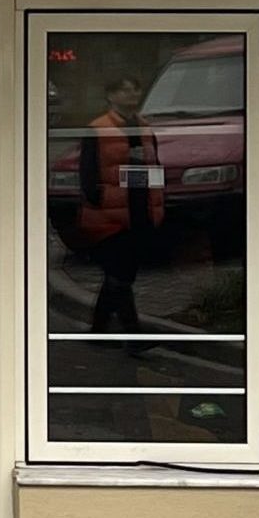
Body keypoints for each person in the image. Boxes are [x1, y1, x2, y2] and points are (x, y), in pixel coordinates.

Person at [78, 75, 165, 334]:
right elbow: (88, 173)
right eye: (125, 90)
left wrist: (156, 200)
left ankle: (98, 330)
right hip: (109, 216)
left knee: (119, 276)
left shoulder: (144, 128)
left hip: (139, 211)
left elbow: (152, 167)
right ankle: (133, 334)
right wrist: (100, 197)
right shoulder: (98, 129)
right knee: (120, 274)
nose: (132, 95)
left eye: (135, 89)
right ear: (111, 96)